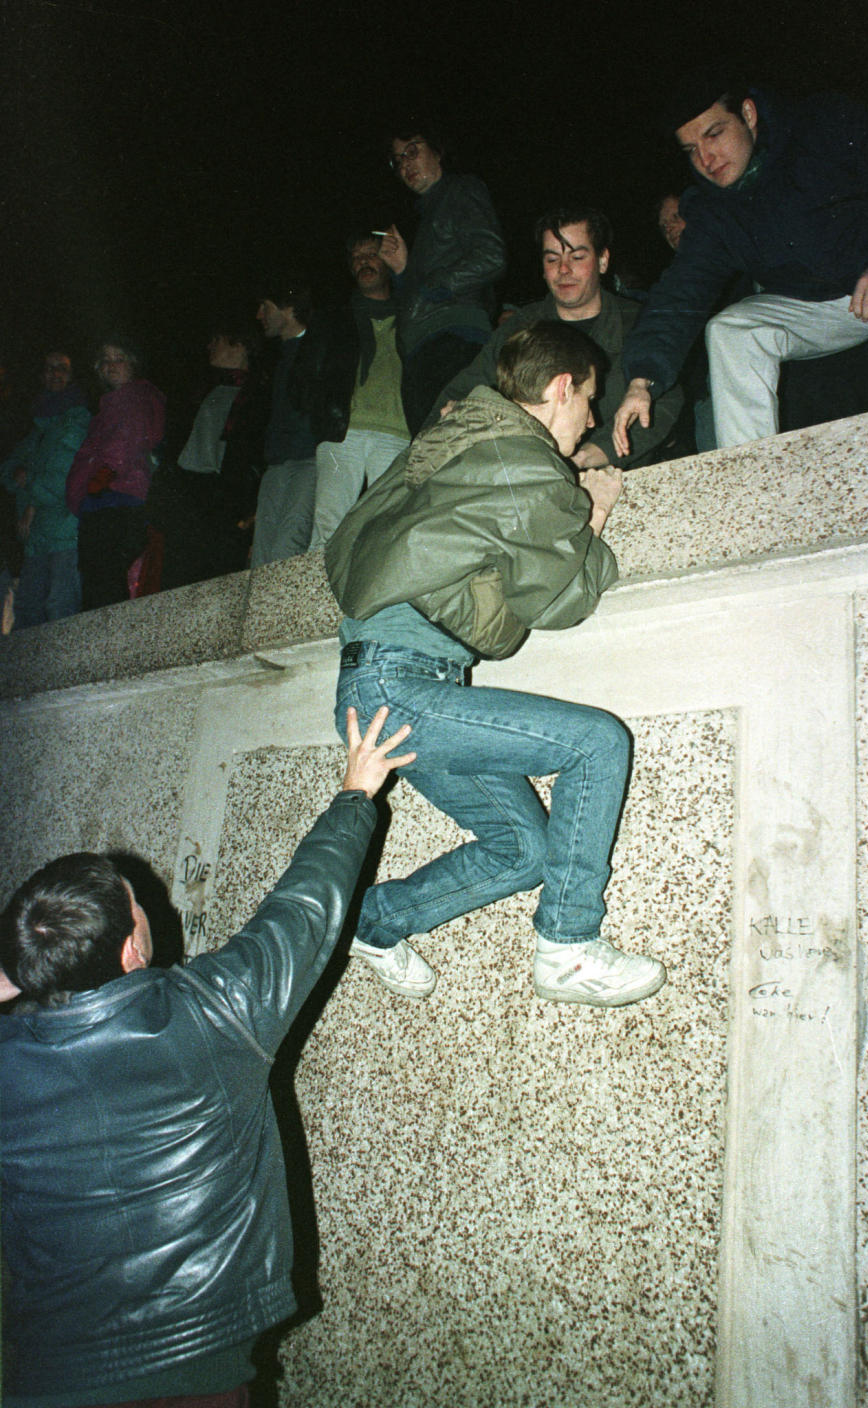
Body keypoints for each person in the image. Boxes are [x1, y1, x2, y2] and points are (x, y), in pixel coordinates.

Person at [0, 706, 415, 1408]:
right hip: (193, 1369)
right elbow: (302, 910)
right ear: (133, 950)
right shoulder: (210, 1012)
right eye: (140, 906)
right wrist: (355, 793)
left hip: (47, 1374)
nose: (148, 906)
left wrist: (23, 968)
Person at [325, 320, 668, 1007]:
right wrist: (595, 513)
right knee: (597, 743)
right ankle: (570, 946)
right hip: (402, 684)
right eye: (589, 400)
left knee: (526, 850)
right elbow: (561, 600)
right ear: (561, 387)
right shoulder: (524, 461)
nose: (592, 418)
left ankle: (375, 923)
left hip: (380, 684)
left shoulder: (449, 438)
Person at [614, 71, 868, 452]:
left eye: (714, 134)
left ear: (748, 113)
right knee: (731, 329)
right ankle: (756, 476)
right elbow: (681, 291)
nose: (706, 159)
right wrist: (641, 379)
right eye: (691, 150)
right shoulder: (714, 210)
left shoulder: (823, 124)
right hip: (816, 308)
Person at [432, 206, 682, 469]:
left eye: (577, 257)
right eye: (552, 259)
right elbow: (464, 390)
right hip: (537, 476)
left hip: (626, 472)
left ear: (602, 260)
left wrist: (597, 452)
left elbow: (667, 402)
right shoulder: (519, 329)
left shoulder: (640, 323)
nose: (563, 270)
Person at [380, 122, 506, 433]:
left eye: (413, 151)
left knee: (453, 452)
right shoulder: (425, 215)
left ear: (438, 152)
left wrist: (431, 288)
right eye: (398, 160)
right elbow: (420, 289)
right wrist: (402, 272)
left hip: (453, 341)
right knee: (429, 458)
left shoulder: (460, 189)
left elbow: (491, 256)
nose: (405, 164)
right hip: (422, 348)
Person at [308, 233, 411, 550]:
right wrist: (322, 411)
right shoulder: (335, 317)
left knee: (387, 532)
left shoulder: (412, 311)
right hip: (343, 433)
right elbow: (306, 371)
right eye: (356, 257)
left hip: (398, 434)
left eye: (371, 254)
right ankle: (316, 598)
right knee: (328, 531)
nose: (363, 261)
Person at [157, 322, 268, 589]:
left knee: (220, 578)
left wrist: (251, 507)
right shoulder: (202, 389)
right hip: (192, 494)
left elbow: (256, 451)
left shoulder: (260, 391)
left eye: (217, 340)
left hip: (228, 498)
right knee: (180, 579)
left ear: (239, 344)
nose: (210, 347)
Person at [66, 338, 165, 609]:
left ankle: (110, 642)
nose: (111, 365)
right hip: (100, 499)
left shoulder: (135, 397)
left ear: (132, 364)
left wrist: (104, 475)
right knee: (98, 578)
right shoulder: (107, 406)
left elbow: (127, 439)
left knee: (107, 578)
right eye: (105, 360)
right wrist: (79, 493)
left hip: (119, 496)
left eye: (118, 358)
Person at [0, 351, 90, 626]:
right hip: (36, 536)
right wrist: (18, 473)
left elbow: (63, 472)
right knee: (27, 611)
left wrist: (31, 503)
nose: (55, 373)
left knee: (60, 608)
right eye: (49, 368)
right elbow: (8, 470)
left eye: (62, 368)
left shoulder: (77, 419)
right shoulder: (39, 427)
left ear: (71, 376)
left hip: (64, 529)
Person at [250, 278, 325, 566]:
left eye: (265, 307)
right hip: (276, 463)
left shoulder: (320, 347)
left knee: (288, 546)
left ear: (288, 309)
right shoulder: (274, 358)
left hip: (308, 459)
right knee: (262, 555)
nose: (260, 315)